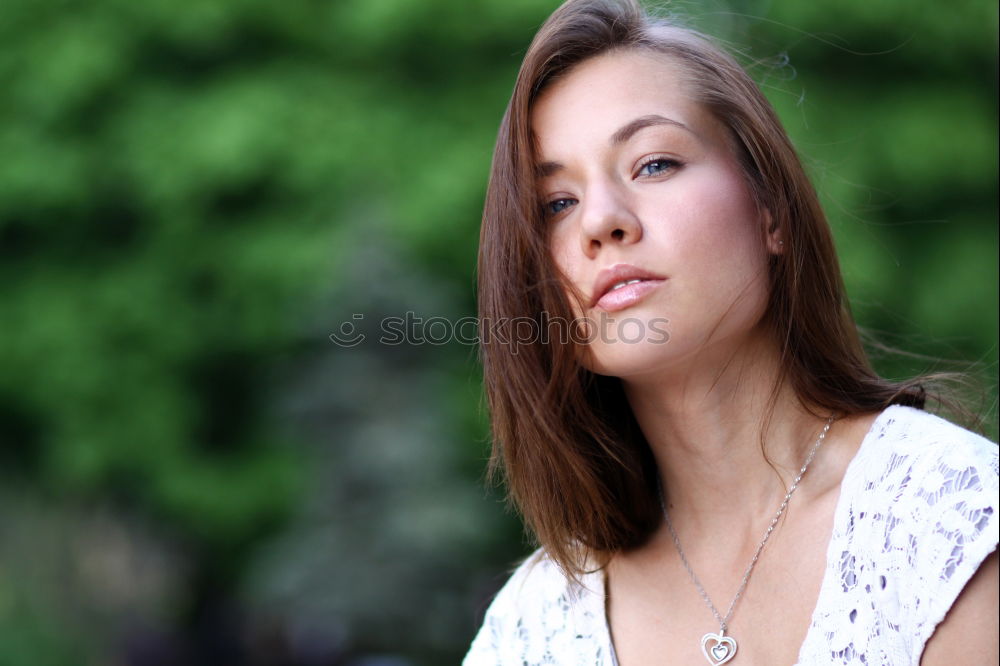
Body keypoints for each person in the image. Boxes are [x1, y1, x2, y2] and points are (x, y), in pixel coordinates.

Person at [464, 0, 998, 664]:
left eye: (653, 164)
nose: (602, 220)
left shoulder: (949, 525)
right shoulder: (533, 627)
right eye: (556, 205)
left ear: (769, 209)